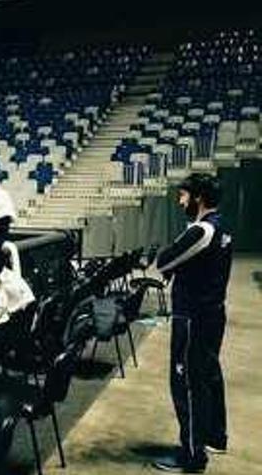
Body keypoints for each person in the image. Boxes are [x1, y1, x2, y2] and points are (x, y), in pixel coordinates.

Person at [152, 173, 232, 473]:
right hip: (212, 314)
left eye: (184, 195)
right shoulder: (222, 226)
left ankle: (192, 454)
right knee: (209, 374)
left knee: (186, 383)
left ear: (197, 197)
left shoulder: (202, 230)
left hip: (193, 318)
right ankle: (215, 437)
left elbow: (164, 260)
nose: (180, 200)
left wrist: (173, 257)